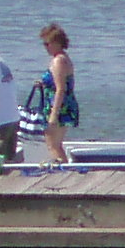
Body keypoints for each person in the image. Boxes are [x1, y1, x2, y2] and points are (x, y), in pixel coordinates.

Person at [30, 23, 79, 163]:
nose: (45, 47)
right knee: (55, 144)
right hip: (61, 105)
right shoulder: (63, 58)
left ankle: (62, 169)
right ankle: (63, 167)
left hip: (59, 107)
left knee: (52, 144)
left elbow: (60, 88)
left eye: (47, 44)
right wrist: (44, 83)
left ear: (57, 43)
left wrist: (53, 114)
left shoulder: (59, 61)